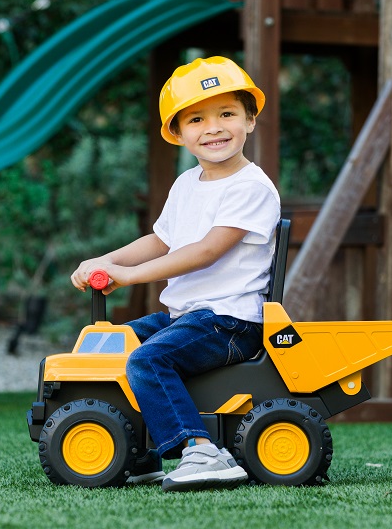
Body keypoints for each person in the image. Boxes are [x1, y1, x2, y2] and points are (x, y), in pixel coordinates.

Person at [70, 56, 281, 492]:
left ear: (250, 120)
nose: (214, 128)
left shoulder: (251, 187)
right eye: (197, 119)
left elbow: (204, 252)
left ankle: (201, 451)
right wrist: (105, 261)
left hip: (230, 320)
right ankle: (139, 452)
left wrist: (130, 277)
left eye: (227, 114)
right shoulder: (187, 184)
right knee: (116, 348)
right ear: (178, 133)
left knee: (149, 358)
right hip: (187, 315)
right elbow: (161, 239)